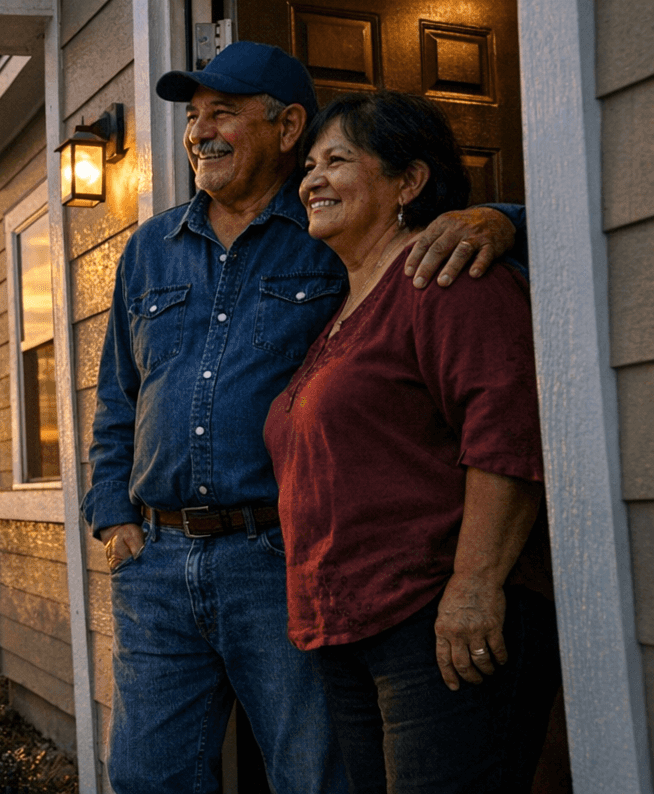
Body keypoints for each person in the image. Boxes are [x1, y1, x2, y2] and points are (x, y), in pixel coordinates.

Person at [81, 41, 521, 794]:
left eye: (224, 113)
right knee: (146, 777)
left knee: (314, 775)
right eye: (193, 117)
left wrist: (502, 217)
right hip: (155, 558)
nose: (200, 132)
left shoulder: (332, 229)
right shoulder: (150, 249)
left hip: (279, 555)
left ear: (288, 127)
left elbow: (432, 242)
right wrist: (112, 515)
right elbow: (119, 395)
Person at [263, 90, 558, 793]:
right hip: (346, 629)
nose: (312, 179)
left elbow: (507, 434)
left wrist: (474, 585)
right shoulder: (339, 314)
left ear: (409, 181)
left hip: (436, 625)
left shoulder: (446, 280)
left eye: (337, 159)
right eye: (308, 164)